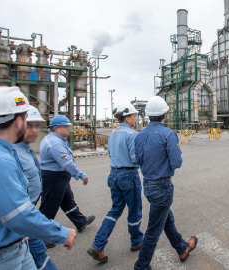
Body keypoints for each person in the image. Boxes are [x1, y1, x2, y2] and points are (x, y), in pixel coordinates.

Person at [0, 87, 76, 270]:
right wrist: (61, 233)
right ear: (19, 121)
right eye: (27, 119)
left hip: (14, 243)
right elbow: (17, 215)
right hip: (0, 258)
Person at [134, 96, 197, 270]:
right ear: (164, 115)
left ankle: (182, 248)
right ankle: (141, 266)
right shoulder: (168, 134)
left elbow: (137, 159)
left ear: (147, 115)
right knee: (153, 230)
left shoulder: (140, 135)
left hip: (147, 184)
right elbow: (177, 162)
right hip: (162, 186)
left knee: (166, 219)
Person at [88, 103, 144, 263]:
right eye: (134, 116)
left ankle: (98, 244)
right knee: (134, 210)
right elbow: (135, 158)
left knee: (115, 210)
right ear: (127, 118)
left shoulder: (112, 134)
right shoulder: (132, 134)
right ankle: (136, 241)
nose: (135, 118)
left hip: (114, 174)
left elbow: (111, 154)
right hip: (129, 175)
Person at [39, 114, 95, 247]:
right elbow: (67, 163)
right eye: (66, 127)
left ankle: (80, 222)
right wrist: (81, 175)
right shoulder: (55, 143)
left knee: (68, 201)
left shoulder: (57, 139)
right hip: (54, 177)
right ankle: (42, 237)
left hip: (59, 177)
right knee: (49, 208)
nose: (69, 129)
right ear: (57, 128)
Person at [13, 106, 58, 270]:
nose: (34, 130)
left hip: (27, 218)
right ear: (16, 123)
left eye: (37, 126)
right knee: (40, 256)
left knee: (38, 255)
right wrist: (59, 233)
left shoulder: (26, 150)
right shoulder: (12, 154)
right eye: (29, 125)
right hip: (21, 222)